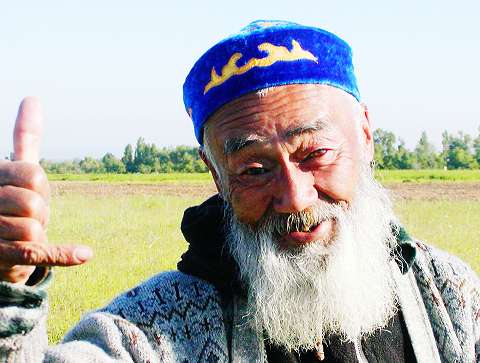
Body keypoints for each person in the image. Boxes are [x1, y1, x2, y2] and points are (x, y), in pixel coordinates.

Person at [0, 20, 478, 363]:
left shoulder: (449, 295)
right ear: (216, 175)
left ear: (366, 135)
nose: (295, 196)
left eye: (315, 154)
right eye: (253, 168)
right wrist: (9, 291)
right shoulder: (152, 331)